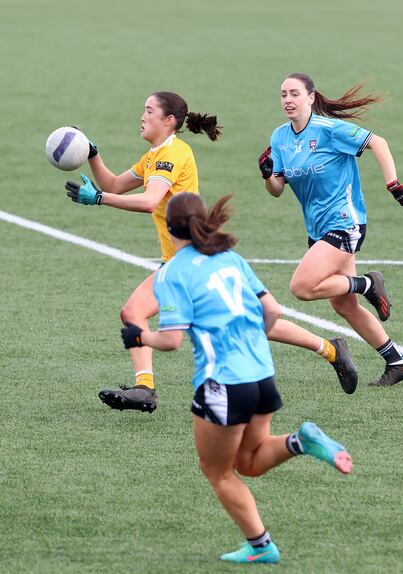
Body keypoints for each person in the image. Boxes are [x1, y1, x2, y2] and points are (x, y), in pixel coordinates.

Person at [65, 92, 358, 413]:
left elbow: (149, 200)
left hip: (194, 263)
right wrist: (92, 153)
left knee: (246, 322)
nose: (142, 117)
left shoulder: (173, 154)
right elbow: (115, 184)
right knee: (137, 313)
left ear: (169, 121)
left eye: (149, 111)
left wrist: (98, 199)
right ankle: (144, 388)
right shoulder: (152, 157)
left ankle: (330, 349)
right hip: (177, 263)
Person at [120, 191, 352, 564]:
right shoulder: (231, 259)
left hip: (223, 383)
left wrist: (138, 336)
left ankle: (262, 547)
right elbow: (272, 311)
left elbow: (171, 340)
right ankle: (301, 442)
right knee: (249, 461)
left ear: (169, 227)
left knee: (218, 472)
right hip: (262, 373)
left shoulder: (172, 273)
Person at [258, 73, 403, 387]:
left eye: (294, 93)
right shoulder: (280, 137)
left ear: (310, 97)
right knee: (342, 304)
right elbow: (277, 189)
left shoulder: (328, 130)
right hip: (318, 229)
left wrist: (393, 184)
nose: (288, 100)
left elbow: (378, 142)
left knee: (302, 288)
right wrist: (268, 174)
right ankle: (397, 362)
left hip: (345, 222)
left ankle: (366, 284)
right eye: (283, 95)